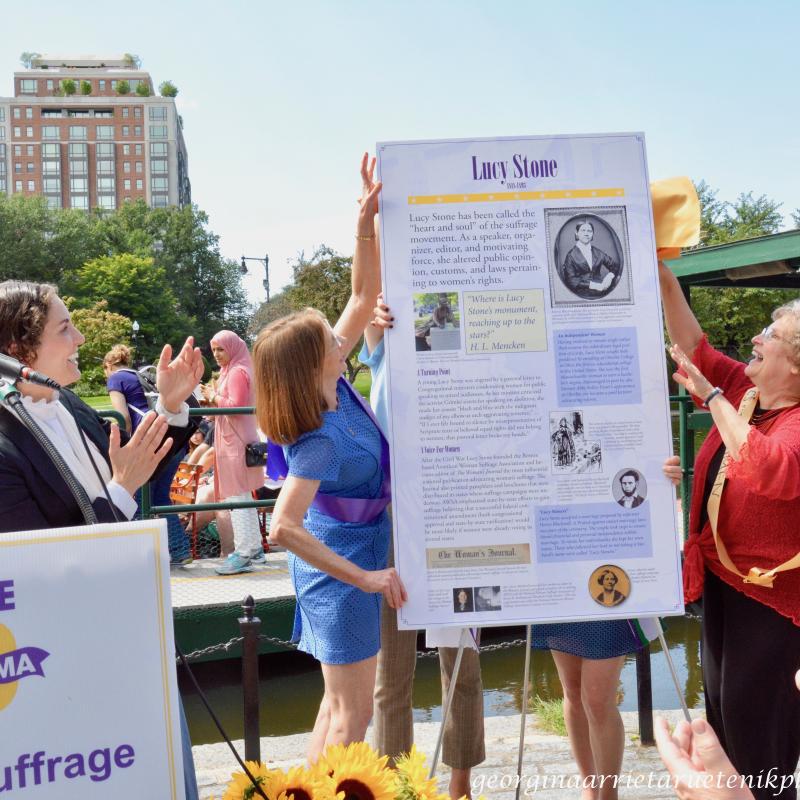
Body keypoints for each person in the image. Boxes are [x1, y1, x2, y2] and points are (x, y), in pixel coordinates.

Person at [0, 280, 203, 800]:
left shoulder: (72, 406)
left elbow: (140, 465)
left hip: (138, 635)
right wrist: (121, 487)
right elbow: (42, 567)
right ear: (18, 350)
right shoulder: (3, 446)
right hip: (70, 671)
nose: (82, 338)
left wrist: (173, 406)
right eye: (65, 328)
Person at [252, 154, 406, 761]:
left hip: (354, 557)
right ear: (311, 361)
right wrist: (366, 577)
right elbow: (282, 526)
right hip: (340, 571)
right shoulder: (315, 436)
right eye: (328, 339)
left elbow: (364, 294)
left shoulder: (334, 378)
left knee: (332, 706)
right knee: (354, 713)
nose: (340, 337)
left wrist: (364, 223)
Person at [659, 260, 800, 800]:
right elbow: (695, 347)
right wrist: (666, 279)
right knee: (722, 722)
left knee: (759, 739)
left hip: (773, 606)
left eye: (773, 335)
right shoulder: (747, 389)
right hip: (724, 587)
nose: (758, 338)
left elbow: (768, 467)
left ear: (794, 366)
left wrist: (711, 397)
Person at [363, 295, 485, 800]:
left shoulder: (469, 358)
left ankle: (459, 782)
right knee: (390, 670)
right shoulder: (386, 343)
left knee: (462, 661)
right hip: (394, 516)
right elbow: (370, 318)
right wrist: (377, 321)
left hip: (454, 514)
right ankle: (392, 785)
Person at [104, 344, 192, 564]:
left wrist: (125, 447)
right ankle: (180, 550)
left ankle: (138, 557)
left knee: (138, 498)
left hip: (150, 442)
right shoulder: (140, 376)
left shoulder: (115, 379)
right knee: (160, 498)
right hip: (173, 438)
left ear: (108, 366)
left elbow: (122, 416)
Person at [202, 330, 265, 575]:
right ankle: (254, 549)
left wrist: (212, 395)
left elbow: (236, 407)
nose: (217, 355)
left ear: (232, 348)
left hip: (235, 444)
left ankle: (244, 552)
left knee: (236, 497)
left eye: (221, 349)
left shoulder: (237, 372)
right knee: (241, 496)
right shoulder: (234, 369)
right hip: (233, 440)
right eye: (214, 350)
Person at [561, 220, 619, 299]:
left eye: (589, 231)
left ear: (592, 234)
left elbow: (614, 266)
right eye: (583, 230)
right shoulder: (570, 255)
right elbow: (571, 281)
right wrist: (595, 286)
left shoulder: (598, 252)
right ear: (576, 233)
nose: (586, 234)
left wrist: (609, 277)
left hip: (602, 292)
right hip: (581, 295)